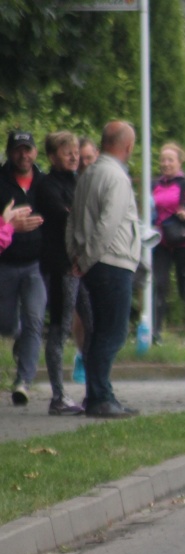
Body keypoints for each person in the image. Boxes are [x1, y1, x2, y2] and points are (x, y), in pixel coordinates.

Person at [66, 121, 142, 418]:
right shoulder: (117, 177)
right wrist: (86, 259)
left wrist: (76, 254)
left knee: (99, 333)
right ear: (128, 147)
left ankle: (101, 393)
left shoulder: (88, 175)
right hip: (112, 262)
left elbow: (73, 221)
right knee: (114, 332)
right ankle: (99, 397)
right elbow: (108, 225)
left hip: (93, 263)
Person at [36, 131, 90, 415]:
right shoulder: (47, 185)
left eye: (75, 151)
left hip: (82, 265)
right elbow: (65, 216)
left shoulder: (78, 182)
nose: (73, 156)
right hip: (60, 266)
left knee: (91, 323)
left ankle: (95, 387)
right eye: (66, 151)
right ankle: (58, 395)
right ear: (53, 156)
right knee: (59, 327)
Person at [0, 130, 47, 406]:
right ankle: (16, 337)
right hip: (5, 264)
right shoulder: (2, 181)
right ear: (9, 152)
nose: (24, 154)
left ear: (35, 152)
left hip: (35, 265)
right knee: (6, 323)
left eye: (28, 149)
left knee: (35, 319)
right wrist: (9, 224)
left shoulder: (43, 182)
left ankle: (24, 381)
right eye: (18, 149)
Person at [151, 142, 185, 345]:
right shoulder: (155, 184)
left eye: (170, 160)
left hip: (182, 240)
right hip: (161, 241)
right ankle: (155, 332)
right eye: (163, 160)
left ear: (179, 162)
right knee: (158, 285)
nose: (166, 163)